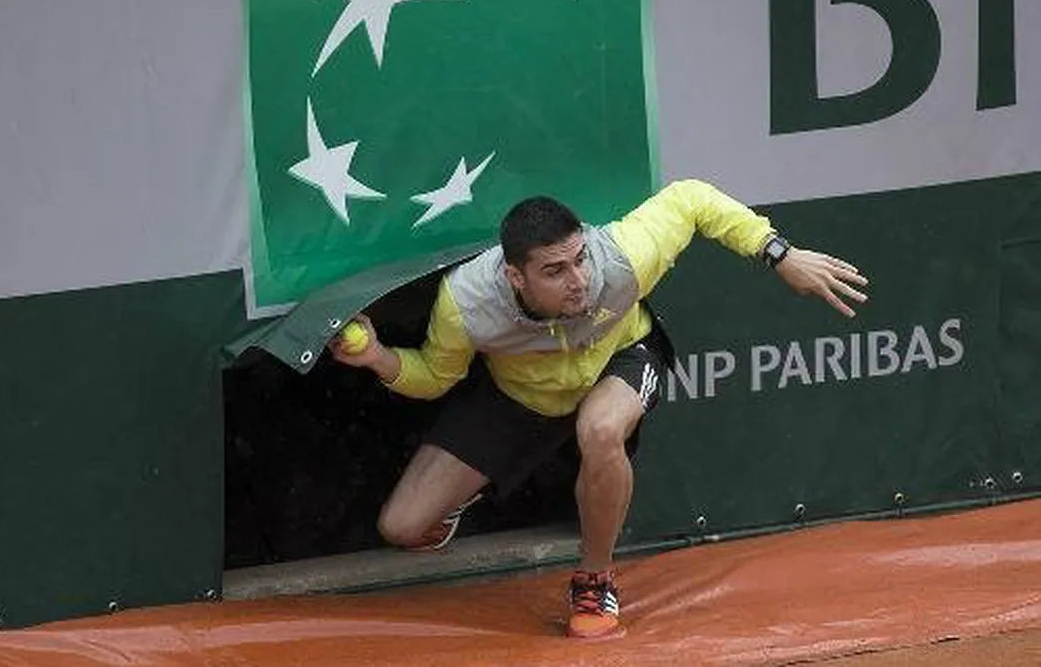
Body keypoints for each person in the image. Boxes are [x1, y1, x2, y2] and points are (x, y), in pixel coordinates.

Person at [329, 179, 869, 639]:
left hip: (621, 358)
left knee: (602, 429)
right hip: (523, 396)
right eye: (555, 271)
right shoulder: (467, 304)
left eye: (580, 258)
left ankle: (594, 580)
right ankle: (463, 499)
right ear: (516, 277)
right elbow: (434, 376)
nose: (580, 280)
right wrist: (377, 357)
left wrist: (779, 253)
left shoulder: (622, 258)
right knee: (402, 527)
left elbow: (692, 198)